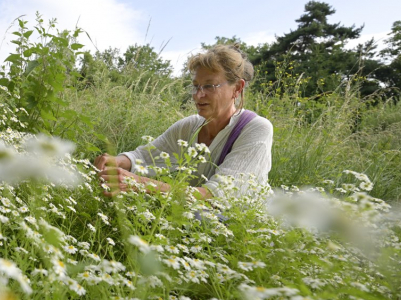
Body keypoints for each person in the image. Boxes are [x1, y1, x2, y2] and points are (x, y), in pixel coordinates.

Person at [94, 44, 273, 200]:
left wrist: (140, 184)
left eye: (210, 86)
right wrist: (116, 161)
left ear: (237, 88)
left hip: (245, 229)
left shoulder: (255, 129)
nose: (198, 95)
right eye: (196, 86)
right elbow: (146, 157)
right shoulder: (190, 126)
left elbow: (215, 196)